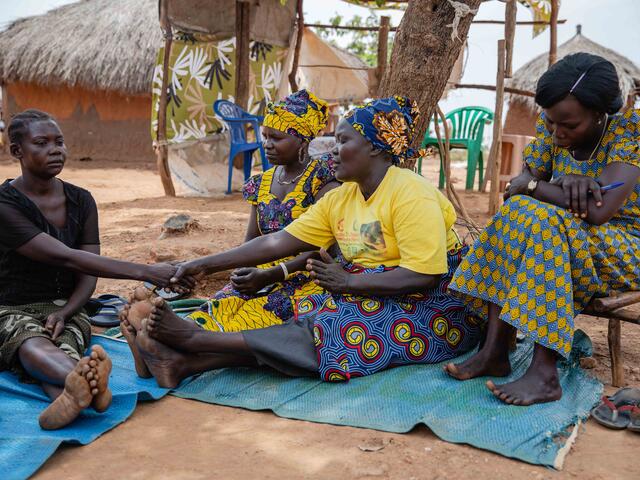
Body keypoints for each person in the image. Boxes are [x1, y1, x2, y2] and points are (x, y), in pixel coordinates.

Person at [120, 96, 483, 388]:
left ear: (375, 149)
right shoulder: (342, 198)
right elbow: (275, 242)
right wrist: (201, 265)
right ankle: (181, 363)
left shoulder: (409, 193)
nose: (332, 151)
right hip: (373, 290)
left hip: (436, 304)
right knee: (303, 312)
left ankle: (196, 343)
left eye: (343, 141)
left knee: (340, 328)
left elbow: (425, 275)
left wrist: (349, 282)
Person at [445, 53, 640, 405]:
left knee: (542, 219)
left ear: (600, 115)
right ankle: (495, 348)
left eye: (569, 126)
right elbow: (515, 191)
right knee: (522, 213)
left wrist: (539, 188)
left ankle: (544, 372)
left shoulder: (628, 133)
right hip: (564, 236)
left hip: (625, 245)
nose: (557, 133)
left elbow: (599, 210)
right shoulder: (552, 128)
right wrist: (562, 185)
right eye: (551, 124)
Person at [0, 110, 184, 429]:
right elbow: (67, 258)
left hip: (66, 307)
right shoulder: (4, 205)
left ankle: (73, 391)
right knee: (29, 340)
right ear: (16, 151)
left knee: (68, 340)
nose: (55, 150)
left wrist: (67, 310)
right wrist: (146, 271)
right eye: (41, 143)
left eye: (60, 142)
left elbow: (87, 273)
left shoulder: (82, 200)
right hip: (9, 306)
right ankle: (83, 385)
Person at [186, 90, 339, 332]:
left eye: (276, 138)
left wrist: (272, 275)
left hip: (306, 278)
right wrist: (245, 273)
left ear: (302, 140)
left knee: (252, 321)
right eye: (265, 136)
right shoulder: (261, 183)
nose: (267, 145)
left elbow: (324, 250)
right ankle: (162, 345)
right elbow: (251, 240)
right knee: (208, 314)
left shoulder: (323, 182)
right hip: (261, 273)